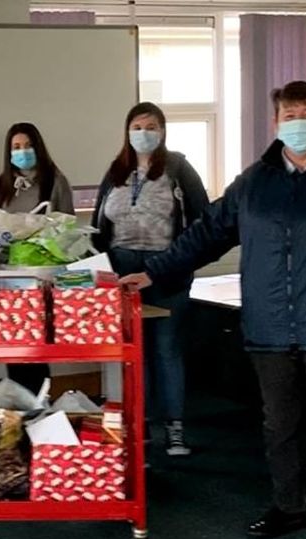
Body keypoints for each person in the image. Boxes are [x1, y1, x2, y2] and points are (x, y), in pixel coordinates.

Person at [120, 81, 306, 539]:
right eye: (289, 114)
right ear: (275, 123)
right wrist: (157, 270)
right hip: (270, 326)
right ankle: (288, 506)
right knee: (280, 426)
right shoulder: (254, 182)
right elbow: (207, 234)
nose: (298, 121)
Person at [92, 102, 209, 457]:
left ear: (163, 131)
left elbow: (204, 219)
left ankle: (174, 429)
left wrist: (182, 260)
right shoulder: (116, 171)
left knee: (166, 349)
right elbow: (100, 223)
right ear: (128, 131)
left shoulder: (178, 168)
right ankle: (138, 427)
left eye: (152, 125)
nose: (144, 132)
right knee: (133, 352)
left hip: (167, 269)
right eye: (138, 125)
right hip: (123, 271)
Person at [0, 122, 74, 394]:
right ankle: (18, 412)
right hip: (7, 278)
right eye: (16, 147)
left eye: (27, 146)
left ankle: (40, 410)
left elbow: (68, 230)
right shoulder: (1, 185)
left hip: (42, 276)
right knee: (13, 347)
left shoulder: (55, 181)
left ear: (38, 147)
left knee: (38, 348)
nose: (22, 152)